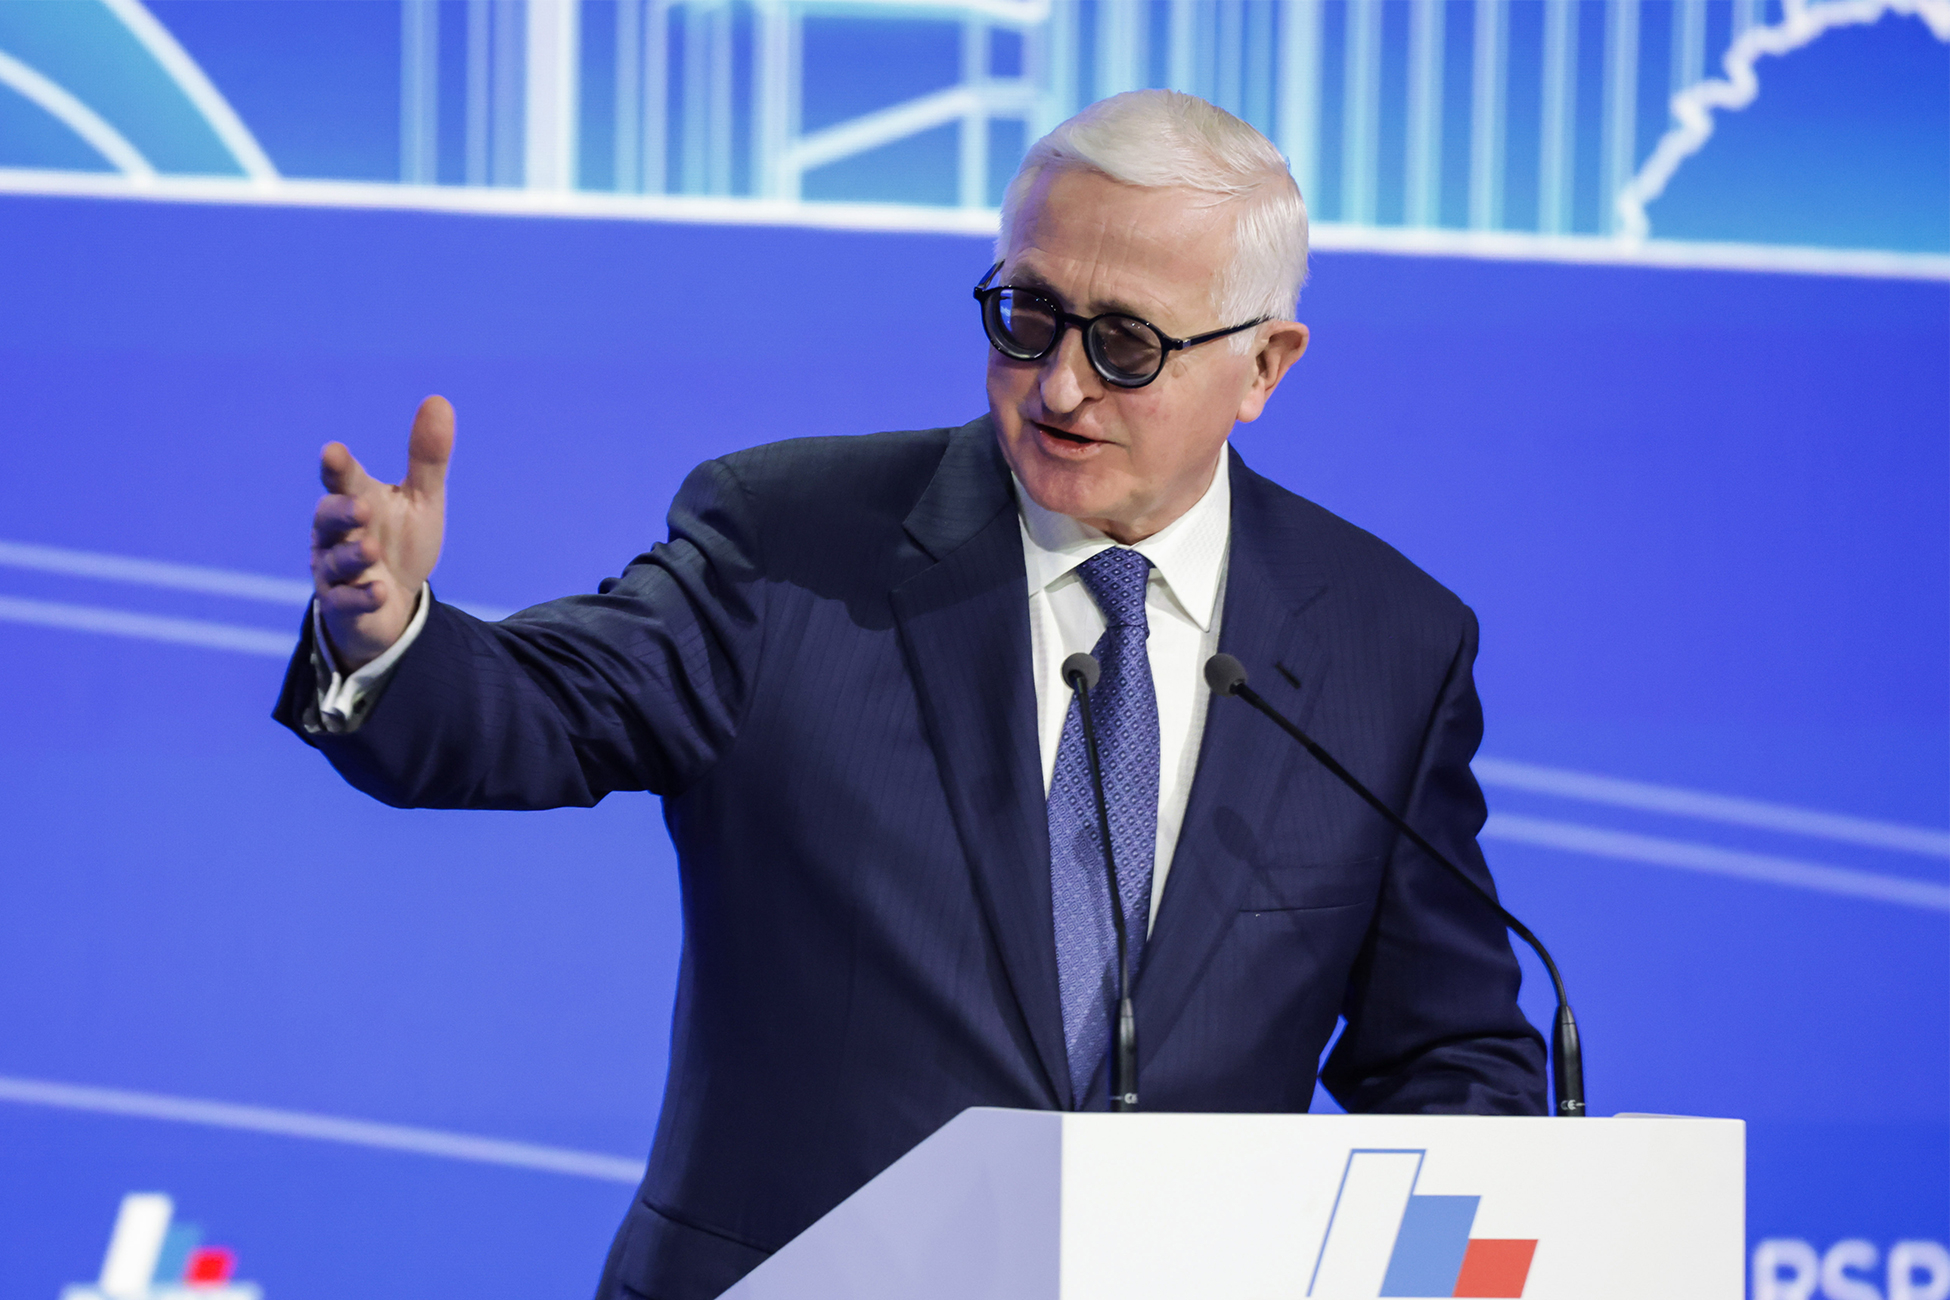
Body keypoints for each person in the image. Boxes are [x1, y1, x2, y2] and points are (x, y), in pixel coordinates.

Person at [278, 90, 1545, 1300]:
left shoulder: (1386, 643)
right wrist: (389, 637)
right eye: (1027, 316)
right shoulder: (791, 545)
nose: (1059, 386)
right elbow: (544, 707)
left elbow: (1446, 1053)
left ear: (1264, 364)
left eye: (1125, 344)